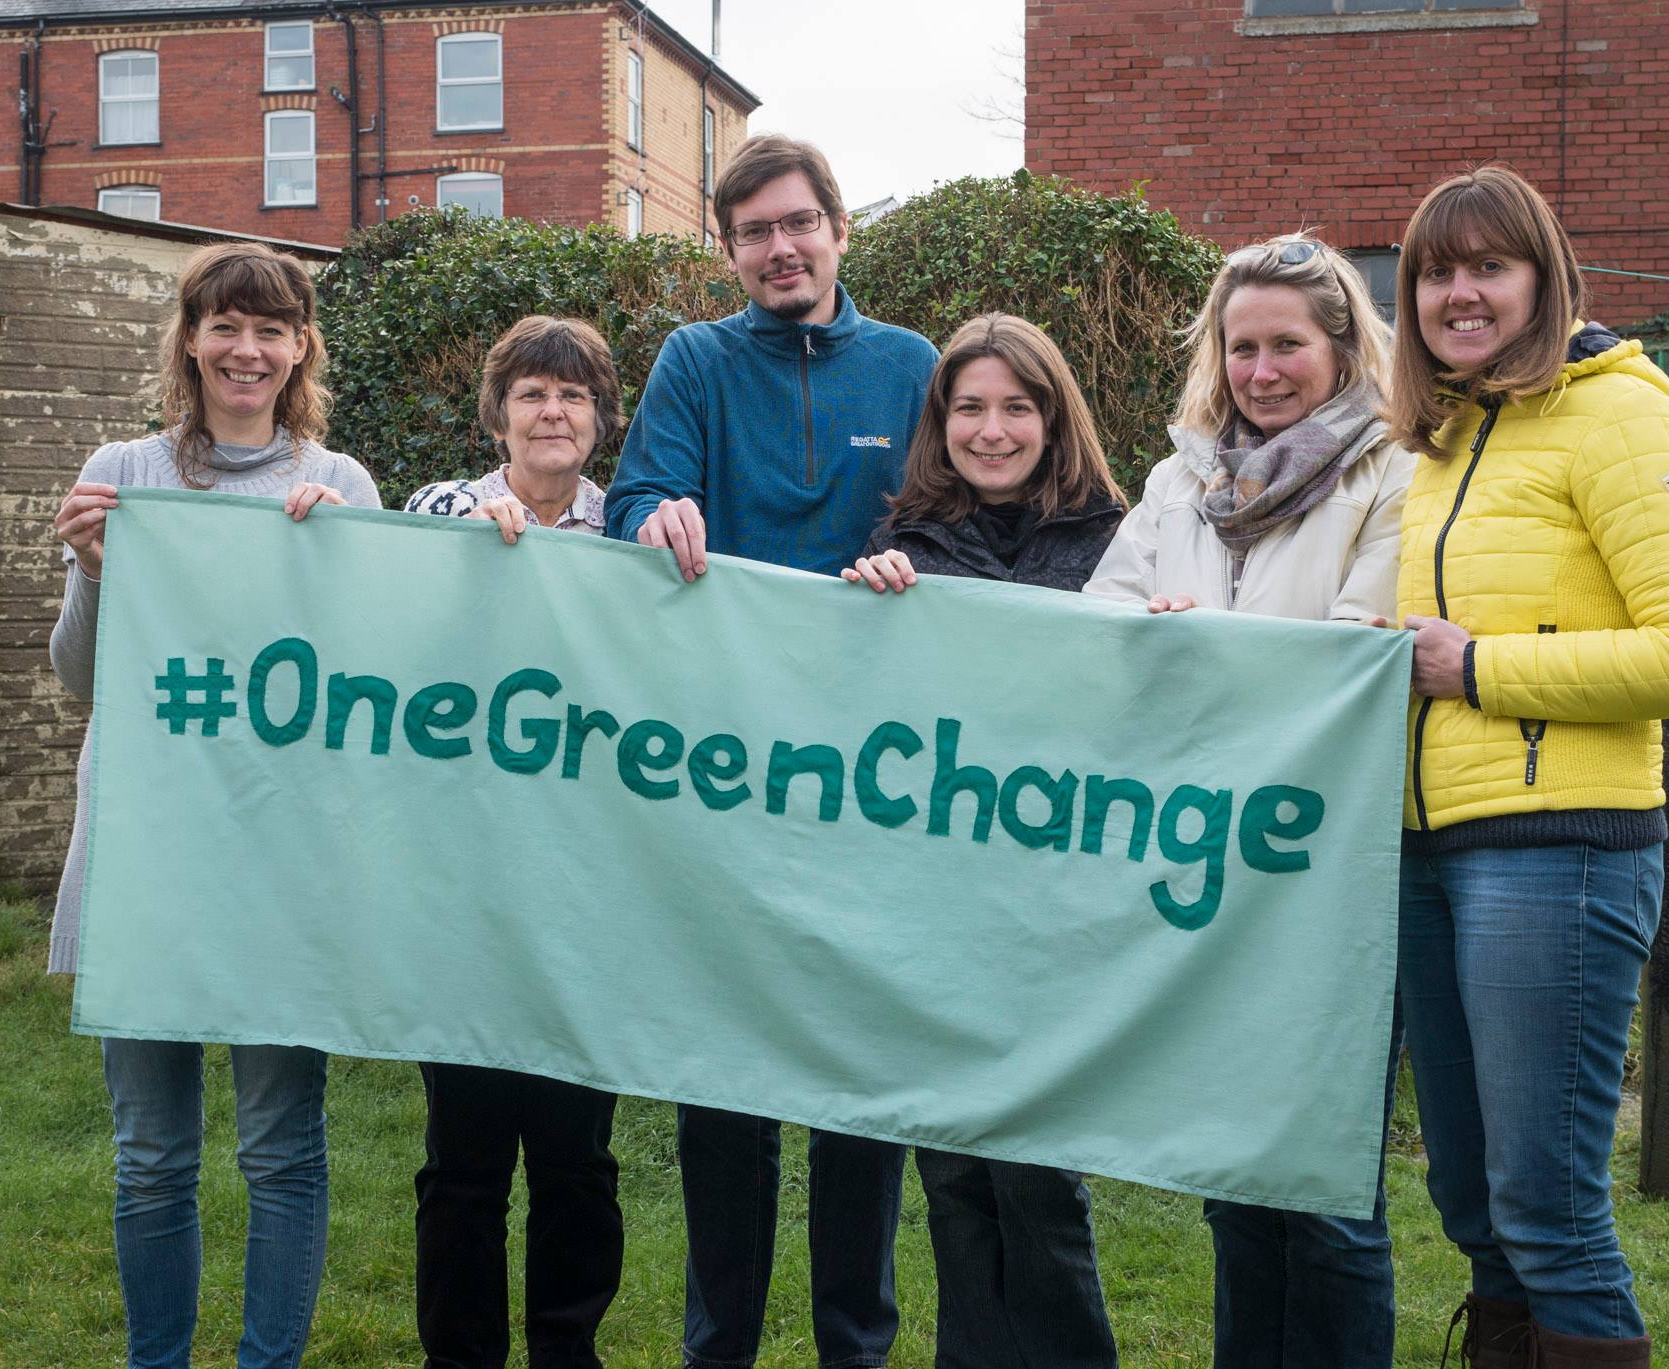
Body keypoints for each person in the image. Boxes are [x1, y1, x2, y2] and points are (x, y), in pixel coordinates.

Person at [1387, 167, 1669, 1369]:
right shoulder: (1441, 439)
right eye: (1435, 272)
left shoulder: (1621, 411)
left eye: (1487, 265)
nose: (1457, 293)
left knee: (1546, 1209)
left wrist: (1478, 666)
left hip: (1559, 852)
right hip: (1426, 850)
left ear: (1543, 279)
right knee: (1477, 1214)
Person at [604, 133, 938, 1369]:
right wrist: (657, 516)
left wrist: (922, 561)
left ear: (840, 231)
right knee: (725, 1080)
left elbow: (961, 522)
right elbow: (638, 496)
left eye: (798, 224)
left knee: (861, 1077)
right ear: (729, 250)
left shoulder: (910, 365)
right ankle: (719, 1344)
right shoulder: (693, 359)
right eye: (752, 233)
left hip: (875, 781)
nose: (780, 249)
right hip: (729, 771)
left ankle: (856, 1340)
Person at [47, 241, 380, 1369]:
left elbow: (363, 689)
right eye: (226, 325)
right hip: (146, 852)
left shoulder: (342, 486)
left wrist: (333, 565)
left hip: (281, 858)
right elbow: (88, 679)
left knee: (283, 1147)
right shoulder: (125, 473)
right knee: (151, 1153)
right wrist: (95, 570)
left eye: (272, 328)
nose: (248, 348)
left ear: (299, 350)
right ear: (189, 339)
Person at [1084, 233, 1413, 1369]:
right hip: (1205, 867)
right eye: (1241, 347)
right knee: (1233, 1176)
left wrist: (1195, 654)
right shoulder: (1180, 481)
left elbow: (1353, 656)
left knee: (1326, 1195)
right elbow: (1105, 623)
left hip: (1327, 873)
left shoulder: (1392, 471)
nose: (1262, 371)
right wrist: (1147, 639)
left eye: (1287, 346)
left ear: (1342, 345)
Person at [843, 312, 1127, 1369]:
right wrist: (864, 609)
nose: (992, 429)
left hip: (1055, 911)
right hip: (936, 912)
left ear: (1054, 421)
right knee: (953, 1177)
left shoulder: (1117, 540)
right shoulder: (899, 544)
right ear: (939, 420)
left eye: (1017, 407)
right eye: (969, 407)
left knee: (1038, 1181)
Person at [402, 315, 627, 1368]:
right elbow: (396, 603)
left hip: (587, 895)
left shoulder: (628, 536)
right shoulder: (443, 511)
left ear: (598, 419)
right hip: (467, 892)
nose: (551, 411)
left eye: (572, 395)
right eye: (533, 392)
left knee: (578, 1158)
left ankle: (565, 1349)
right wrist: (471, 541)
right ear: (499, 413)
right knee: (464, 1162)